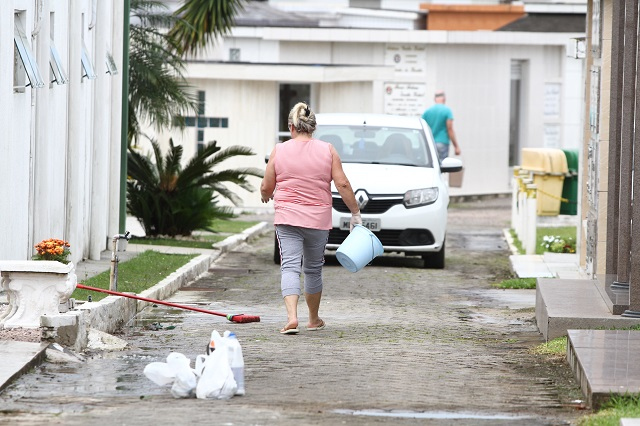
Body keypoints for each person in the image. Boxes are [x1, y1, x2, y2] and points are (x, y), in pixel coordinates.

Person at [260, 102, 362, 335]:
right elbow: (343, 183)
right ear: (313, 127)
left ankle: (292, 317)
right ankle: (313, 319)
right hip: (318, 219)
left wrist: (265, 194)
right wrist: (355, 213)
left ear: (291, 127)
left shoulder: (280, 150)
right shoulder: (328, 150)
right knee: (313, 269)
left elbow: (267, 185)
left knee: (290, 266)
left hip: (287, 218)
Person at [422, 90, 461, 162]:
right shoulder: (447, 111)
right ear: (444, 99)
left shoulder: (427, 112)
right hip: (442, 143)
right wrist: (456, 146)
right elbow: (450, 129)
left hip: (429, 143)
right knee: (442, 166)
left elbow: (422, 128)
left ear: (434, 99)